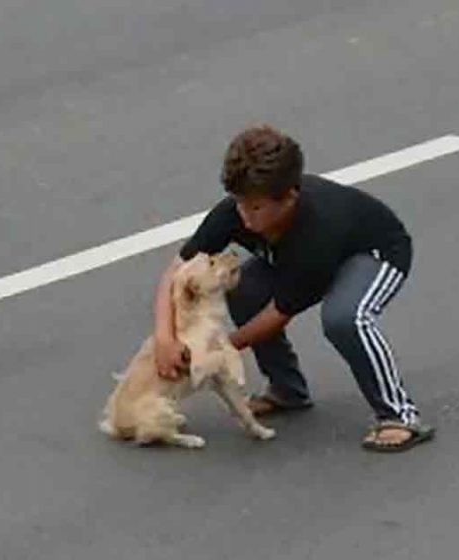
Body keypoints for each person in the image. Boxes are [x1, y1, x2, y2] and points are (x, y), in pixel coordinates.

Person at [151, 124, 434, 452]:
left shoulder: (316, 231)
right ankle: (287, 391)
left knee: (345, 318)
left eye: (255, 208)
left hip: (371, 254)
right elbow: (176, 271)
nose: (244, 217)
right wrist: (164, 338)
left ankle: (400, 415)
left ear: (289, 198)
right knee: (243, 289)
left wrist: (216, 351)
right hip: (299, 264)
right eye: (239, 203)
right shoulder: (234, 212)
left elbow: (278, 313)